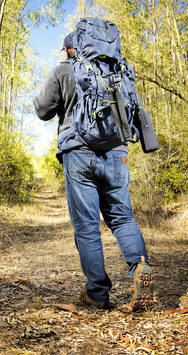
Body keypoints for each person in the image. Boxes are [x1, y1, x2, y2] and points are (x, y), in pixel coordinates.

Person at [33, 31, 154, 312]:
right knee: (122, 217)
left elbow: (42, 110)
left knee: (87, 227)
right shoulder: (118, 72)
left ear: (68, 50)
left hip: (79, 154)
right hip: (117, 153)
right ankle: (140, 268)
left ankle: (98, 294)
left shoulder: (64, 70)